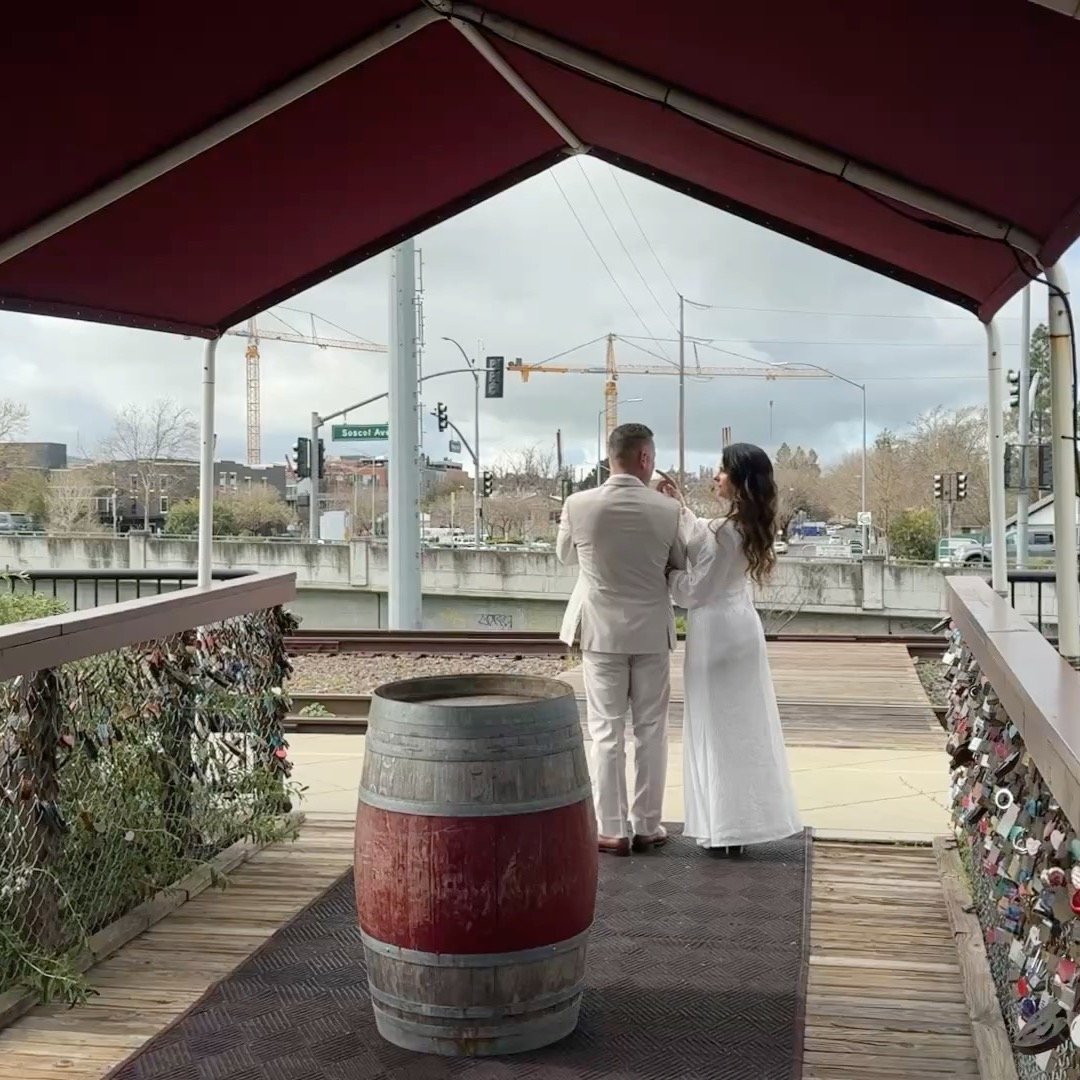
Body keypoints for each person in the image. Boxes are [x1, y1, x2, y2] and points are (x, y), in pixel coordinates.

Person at [659, 442, 801, 854]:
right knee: (741, 725)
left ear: (738, 480)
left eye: (722, 471)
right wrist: (681, 508)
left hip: (715, 633)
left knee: (714, 727)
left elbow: (695, 591)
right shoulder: (743, 526)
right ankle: (737, 824)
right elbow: (702, 533)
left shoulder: (724, 532)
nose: (716, 476)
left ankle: (724, 828)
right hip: (740, 625)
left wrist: (668, 576)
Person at [557, 423, 686, 856]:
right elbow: (679, 562)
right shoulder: (666, 510)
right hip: (651, 631)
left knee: (606, 731)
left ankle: (611, 829)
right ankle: (648, 825)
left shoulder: (578, 504)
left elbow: (563, 555)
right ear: (646, 458)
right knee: (651, 730)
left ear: (610, 456)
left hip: (601, 632)